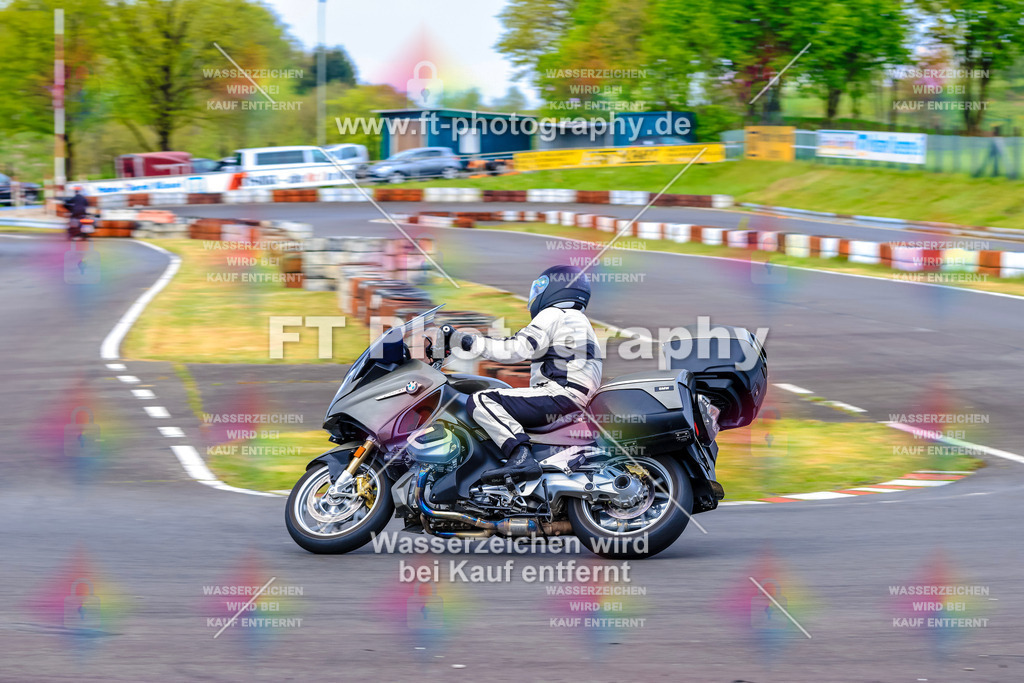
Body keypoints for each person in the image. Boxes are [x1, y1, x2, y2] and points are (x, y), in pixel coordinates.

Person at [449, 265, 602, 484]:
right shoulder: (579, 321)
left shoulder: (554, 314)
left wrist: (465, 341)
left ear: (556, 287)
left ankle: (519, 455)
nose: (536, 294)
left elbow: (515, 349)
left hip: (560, 396)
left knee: (481, 399)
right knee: (507, 396)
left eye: (540, 287)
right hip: (575, 400)